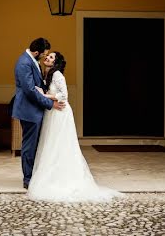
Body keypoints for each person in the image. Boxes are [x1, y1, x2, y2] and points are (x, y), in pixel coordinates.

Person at [27, 51, 123, 203]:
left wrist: (45, 96)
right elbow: (52, 91)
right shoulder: (49, 74)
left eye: (51, 57)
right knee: (51, 144)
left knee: (60, 145)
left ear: (56, 62)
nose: (47, 58)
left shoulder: (58, 74)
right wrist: (43, 92)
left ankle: (63, 178)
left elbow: (64, 95)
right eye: (48, 56)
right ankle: (52, 175)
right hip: (52, 112)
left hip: (61, 113)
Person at [11, 37, 65, 189]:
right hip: (29, 110)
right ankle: (28, 179)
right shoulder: (24, 63)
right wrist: (50, 103)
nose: (45, 57)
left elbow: (37, 86)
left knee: (37, 145)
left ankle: (36, 175)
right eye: (44, 54)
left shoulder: (31, 61)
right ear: (36, 52)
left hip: (36, 109)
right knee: (29, 145)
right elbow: (29, 90)